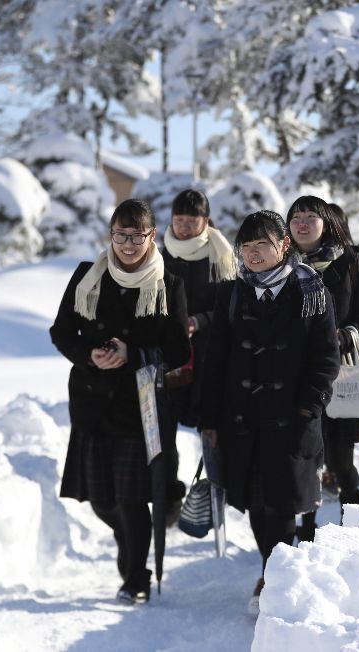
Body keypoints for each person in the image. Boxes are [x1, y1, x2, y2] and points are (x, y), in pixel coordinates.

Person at [50, 198, 190, 605]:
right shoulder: (86, 277)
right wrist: (87, 355)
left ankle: (135, 575)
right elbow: (61, 332)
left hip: (140, 406)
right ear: (110, 234)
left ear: (152, 236)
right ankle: (131, 541)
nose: (128, 244)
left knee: (131, 499)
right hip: (93, 401)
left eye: (137, 235)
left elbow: (179, 350)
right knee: (100, 500)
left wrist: (135, 353)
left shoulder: (170, 284)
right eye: (121, 235)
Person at [199, 210, 339, 612]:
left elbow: (325, 357)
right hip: (241, 418)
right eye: (246, 245)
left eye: (262, 243)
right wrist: (208, 419)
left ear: (284, 245)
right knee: (256, 502)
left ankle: (272, 577)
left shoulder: (312, 291)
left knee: (280, 503)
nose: (253, 253)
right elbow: (216, 361)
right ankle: (272, 569)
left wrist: (309, 406)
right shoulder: (232, 293)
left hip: (292, 417)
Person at [286, 196, 359, 517]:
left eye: (310, 216)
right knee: (303, 455)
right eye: (296, 216)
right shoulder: (281, 265)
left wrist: (346, 335)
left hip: (340, 370)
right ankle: (306, 527)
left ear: (326, 224)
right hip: (295, 372)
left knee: (340, 457)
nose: (302, 222)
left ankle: (351, 516)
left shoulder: (352, 261)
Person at [159, 188, 237, 526]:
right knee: (165, 432)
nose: (186, 228)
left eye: (193, 222)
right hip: (170, 358)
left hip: (209, 357)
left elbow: (228, 306)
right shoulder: (158, 256)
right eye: (180, 221)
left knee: (211, 429)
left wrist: (198, 321)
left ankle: (213, 493)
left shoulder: (220, 255)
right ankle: (171, 495)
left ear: (206, 221)